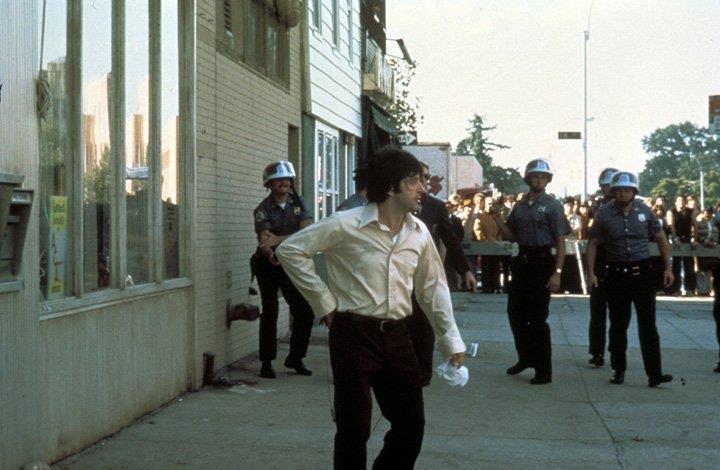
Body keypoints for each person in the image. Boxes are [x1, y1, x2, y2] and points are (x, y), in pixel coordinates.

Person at [276, 147, 466, 469]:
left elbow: (433, 287)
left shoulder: (418, 232)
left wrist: (450, 339)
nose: (423, 188)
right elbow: (291, 250)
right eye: (413, 182)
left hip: (398, 336)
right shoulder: (345, 224)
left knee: (411, 426)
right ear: (391, 187)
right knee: (354, 430)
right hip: (353, 335)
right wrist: (323, 300)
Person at [586, 171, 674, 387]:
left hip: (642, 273)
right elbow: (593, 244)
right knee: (618, 325)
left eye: (627, 190)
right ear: (613, 192)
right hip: (616, 274)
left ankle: (654, 373)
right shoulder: (603, 214)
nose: (623, 194)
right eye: (619, 191)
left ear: (634, 192)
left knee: (648, 325)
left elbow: (661, 239)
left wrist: (668, 268)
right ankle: (618, 369)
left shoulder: (645, 211)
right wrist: (591, 272)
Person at [491, 158, 571, 384]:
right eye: (535, 176)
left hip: (542, 263)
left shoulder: (553, 206)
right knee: (515, 314)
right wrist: (497, 217)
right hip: (522, 262)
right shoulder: (519, 206)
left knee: (537, 319)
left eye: (543, 177)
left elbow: (561, 241)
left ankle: (544, 370)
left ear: (548, 180)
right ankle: (525, 358)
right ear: (528, 179)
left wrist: (557, 272)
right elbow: (510, 236)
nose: (539, 180)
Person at [408, 162, 476, 386]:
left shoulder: (435, 207)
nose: (424, 182)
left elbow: (450, 239)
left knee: (424, 324)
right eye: (419, 177)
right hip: (400, 275)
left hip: (425, 273)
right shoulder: (398, 205)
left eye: (426, 177)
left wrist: (465, 270)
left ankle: (422, 374)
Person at [252, 161, 314, 379]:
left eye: (287, 179)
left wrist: (279, 240)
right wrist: (272, 251)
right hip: (268, 263)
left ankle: (296, 358)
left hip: (291, 263)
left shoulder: (299, 204)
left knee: (305, 311)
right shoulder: (262, 210)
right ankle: (266, 362)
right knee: (270, 310)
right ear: (269, 184)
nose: (284, 183)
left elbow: (308, 232)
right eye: (278, 180)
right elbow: (265, 241)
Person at [586, 167, 617, 367]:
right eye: (605, 186)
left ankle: (616, 352)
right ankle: (597, 352)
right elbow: (592, 238)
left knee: (618, 314)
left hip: (618, 260)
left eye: (611, 186)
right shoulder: (598, 207)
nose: (608, 189)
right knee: (597, 312)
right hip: (600, 260)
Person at [668, 195, 698, 295]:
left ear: (685, 202)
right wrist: (675, 238)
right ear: (675, 202)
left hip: (688, 238)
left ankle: (689, 289)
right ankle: (675, 289)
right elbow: (671, 226)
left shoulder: (691, 211)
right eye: (679, 200)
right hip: (676, 238)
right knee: (676, 264)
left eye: (683, 200)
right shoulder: (671, 211)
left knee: (689, 264)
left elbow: (695, 226)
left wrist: (694, 239)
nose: (681, 202)